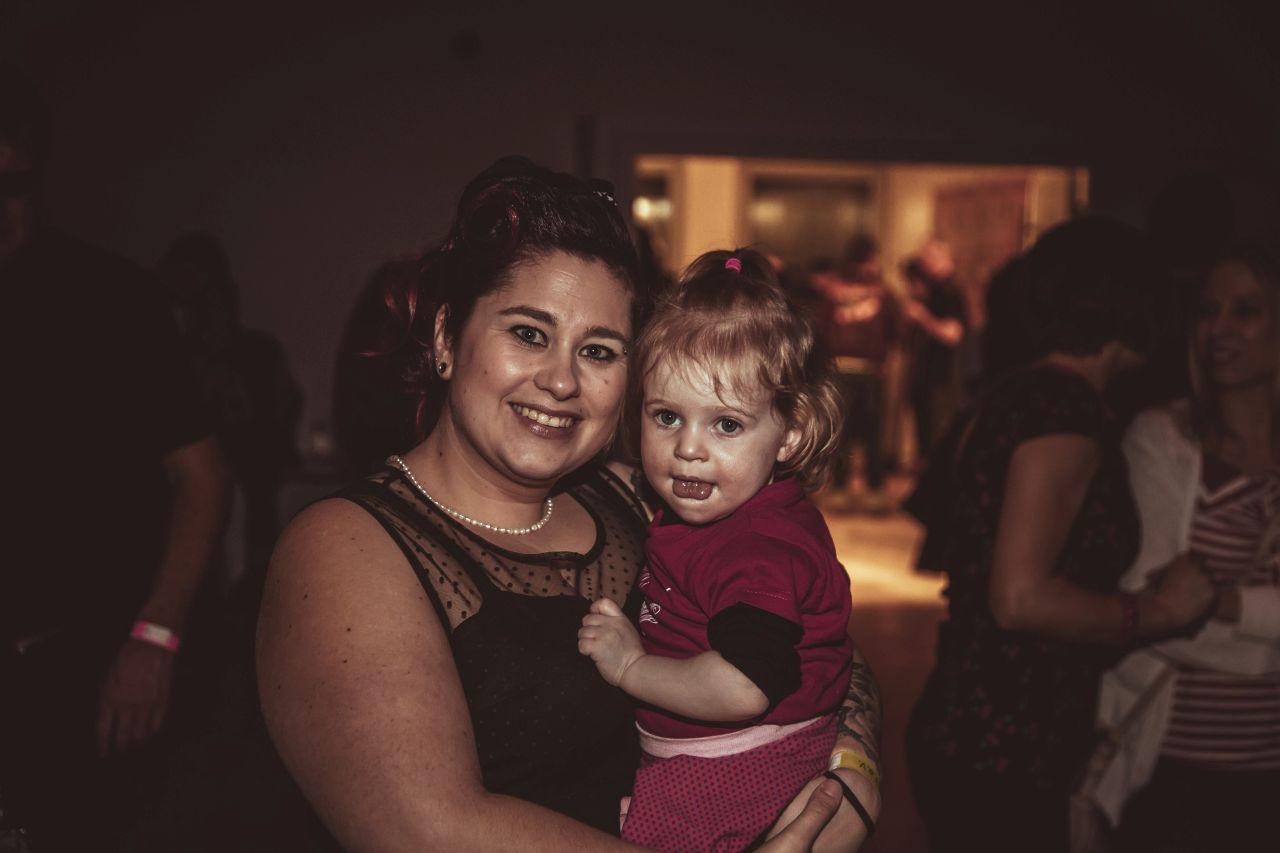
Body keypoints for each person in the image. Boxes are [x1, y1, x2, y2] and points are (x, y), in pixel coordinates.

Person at [257, 157, 882, 851]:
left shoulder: (644, 498)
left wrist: (848, 780)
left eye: (599, 351)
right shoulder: (342, 547)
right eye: (529, 333)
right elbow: (430, 831)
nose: (562, 380)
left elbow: (819, 642)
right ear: (445, 338)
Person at [904, 216, 1218, 853]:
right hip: (1002, 741)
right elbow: (1020, 599)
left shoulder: (1017, 395)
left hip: (977, 725)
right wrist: (1157, 612)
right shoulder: (1062, 408)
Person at [0, 62, 230, 850]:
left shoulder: (110, 298)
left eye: (11, 184)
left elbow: (203, 476)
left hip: (81, 664)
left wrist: (154, 637)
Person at [578, 249, 865, 852]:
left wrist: (632, 668)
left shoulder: (757, 550)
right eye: (666, 416)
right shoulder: (725, 511)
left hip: (736, 764)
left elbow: (744, 685)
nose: (688, 449)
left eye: (726, 425)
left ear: (791, 433)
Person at [1092, 244, 1280, 853]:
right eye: (1206, 310)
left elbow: (1188, 607)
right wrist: (1266, 645)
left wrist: (1222, 603)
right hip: (1173, 766)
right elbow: (1151, 609)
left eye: (1245, 310)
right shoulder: (1164, 440)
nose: (1218, 328)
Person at [811, 234, 897, 511]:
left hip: (857, 372)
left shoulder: (841, 294)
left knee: (858, 434)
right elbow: (820, 331)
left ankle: (862, 490)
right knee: (854, 434)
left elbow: (896, 328)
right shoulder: (874, 294)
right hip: (852, 371)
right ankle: (856, 489)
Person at [900, 241, 967, 461]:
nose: (923, 265)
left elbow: (953, 334)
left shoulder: (951, 292)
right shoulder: (934, 291)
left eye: (926, 259)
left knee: (936, 437)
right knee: (925, 437)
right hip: (927, 376)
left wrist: (923, 317)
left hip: (942, 378)